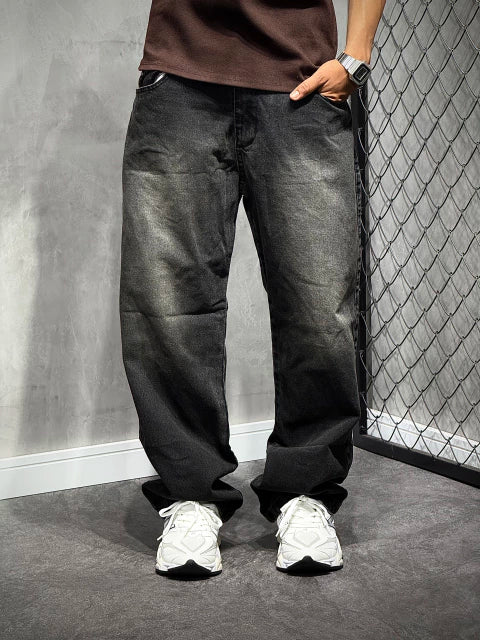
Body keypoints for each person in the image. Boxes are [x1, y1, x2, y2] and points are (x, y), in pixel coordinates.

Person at [120, 0, 385, 577]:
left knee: (319, 306)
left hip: (303, 87)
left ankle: (307, 492)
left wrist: (356, 56)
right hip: (179, 83)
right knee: (168, 305)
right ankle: (190, 495)